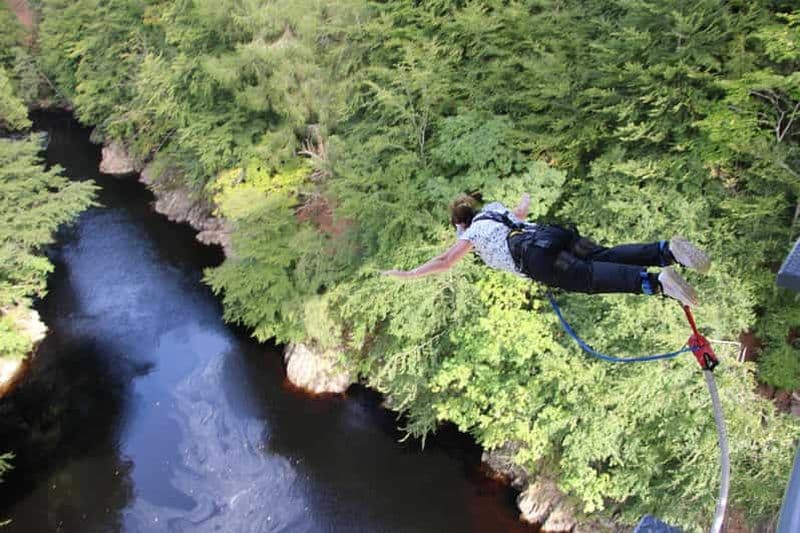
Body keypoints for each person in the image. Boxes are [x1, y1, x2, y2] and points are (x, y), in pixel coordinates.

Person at [382, 193, 710, 307]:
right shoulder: (494, 211)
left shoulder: (474, 233)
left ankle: (655, 282)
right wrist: (524, 198)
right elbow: (521, 212)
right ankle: (666, 251)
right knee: (601, 256)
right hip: (553, 235)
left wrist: (409, 273)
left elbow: (446, 260)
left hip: (536, 258)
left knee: (589, 278)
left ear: (460, 224)